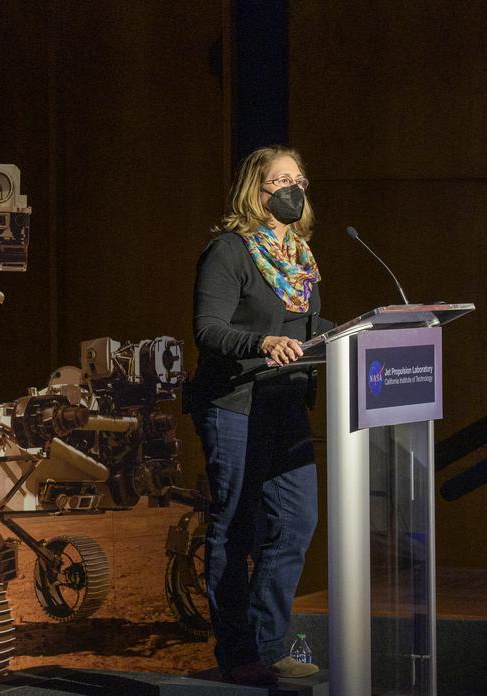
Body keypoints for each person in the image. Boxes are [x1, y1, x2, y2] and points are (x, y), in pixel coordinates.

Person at [185, 145, 332, 685]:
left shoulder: (299, 258)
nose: (294, 188)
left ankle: (270, 644)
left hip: (287, 403)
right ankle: (239, 652)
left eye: (300, 178)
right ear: (258, 190)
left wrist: (364, 333)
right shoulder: (230, 251)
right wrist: (262, 341)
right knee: (236, 527)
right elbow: (209, 329)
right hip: (235, 404)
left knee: (296, 521)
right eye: (281, 179)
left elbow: (309, 330)